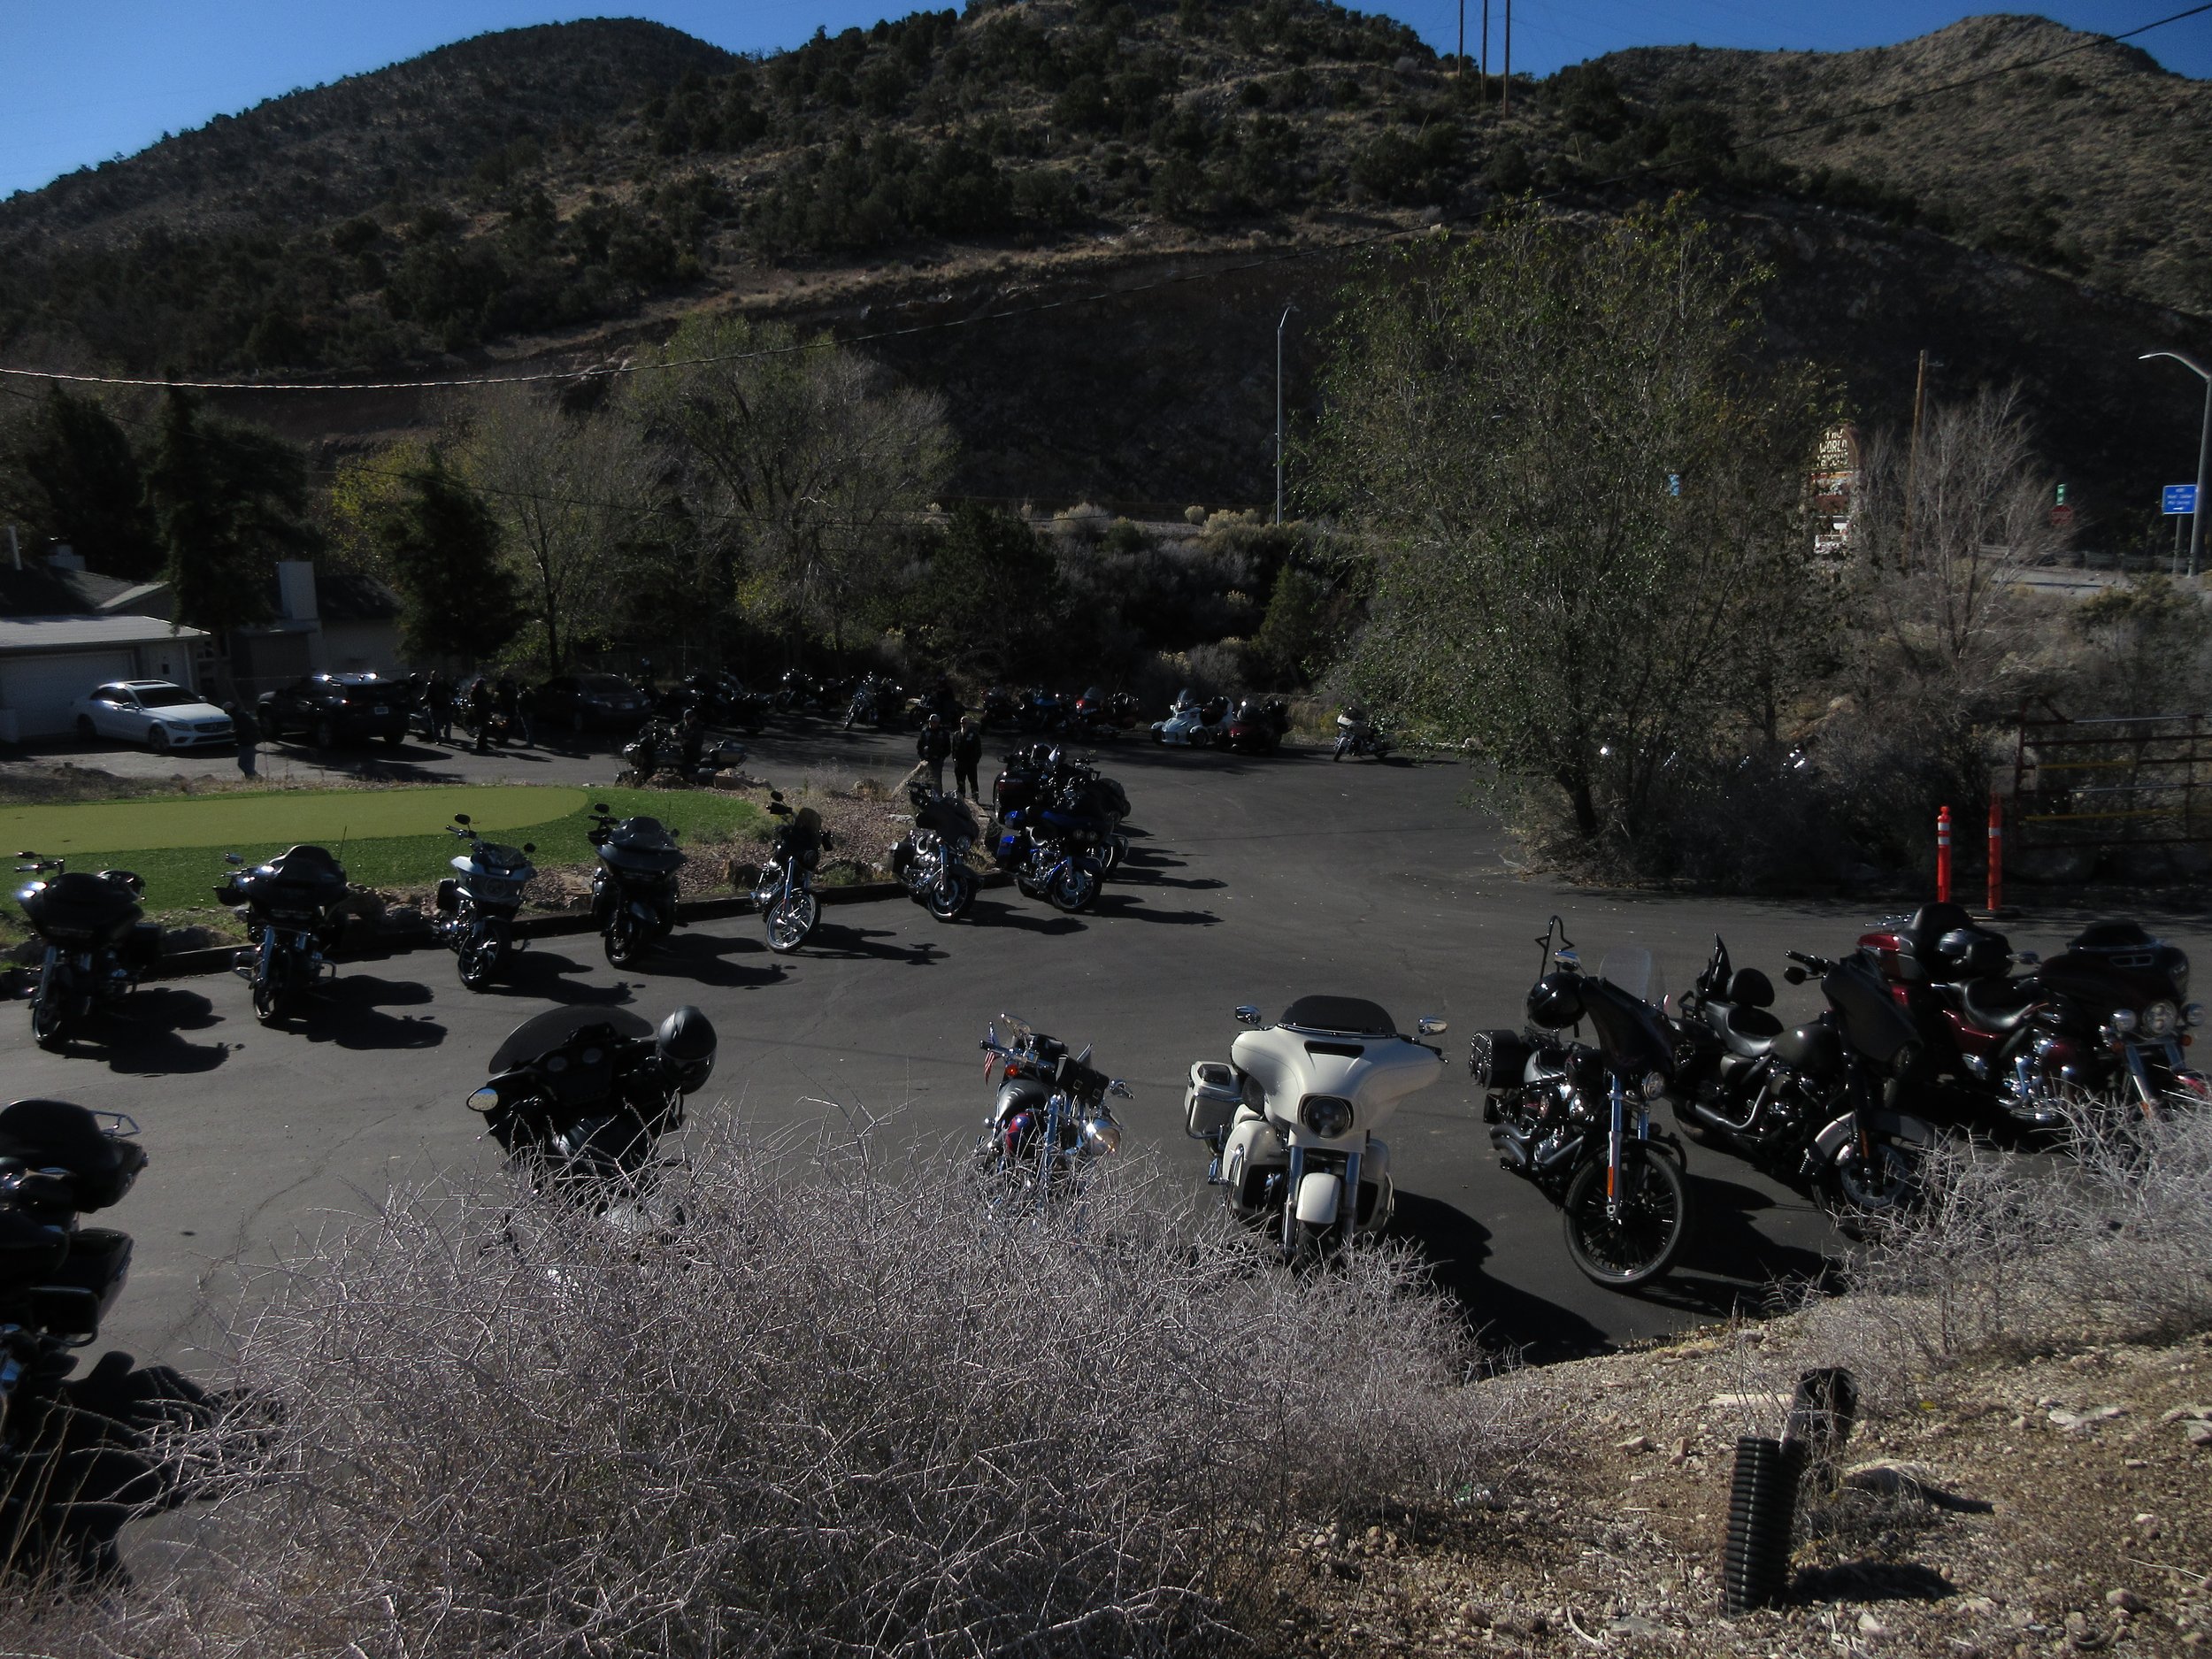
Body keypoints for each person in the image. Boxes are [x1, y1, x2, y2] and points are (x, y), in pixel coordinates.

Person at [917, 713, 951, 795]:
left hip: (937, 760)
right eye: (930, 721)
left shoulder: (943, 733)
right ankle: (923, 795)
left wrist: (942, 757)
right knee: (924, 778)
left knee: (936, 779)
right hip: (925, 759)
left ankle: (937, 797)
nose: (931, 723)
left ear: (937, 723)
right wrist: (921, 756)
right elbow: (920, 745)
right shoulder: (925, 731)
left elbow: (948, 748)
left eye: (933, 722)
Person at [952, 715, 983, 803]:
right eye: (962, 722)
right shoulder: (957, 735)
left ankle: (975, 797)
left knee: (973, 781)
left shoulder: (974, 735)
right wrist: (954, 759)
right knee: (960, 781)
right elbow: (954, 748)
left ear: (969, 724)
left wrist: (975, 760)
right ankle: (961, 797)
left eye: (965, 723)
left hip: (970, 762)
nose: (963, 724)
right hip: (959, 762)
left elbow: (978, 750)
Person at [227, 702, 258, 780]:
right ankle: (251, 778)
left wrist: (232, 732)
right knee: (247, 763)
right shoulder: (239, 715)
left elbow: (243, 729)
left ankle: (255, 778)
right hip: (245, 742)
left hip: (247, 742)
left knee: (244, 764)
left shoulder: (238, 716)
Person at [426, 671, 454, 744]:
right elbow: (428, 696)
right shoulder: (430, 685)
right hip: (435, 707)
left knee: (448, 723)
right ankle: (438, 739)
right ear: (432, 677)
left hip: (445, 705)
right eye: (435, 676)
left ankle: (447, 737)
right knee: (436, 724)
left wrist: (455, 691)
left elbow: (450, 689)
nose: (437, 677)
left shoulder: (443, 683)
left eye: (438, 675)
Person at [467, 677, 493, 755]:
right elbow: (479, 700)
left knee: (484, 728)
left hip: (483, 710)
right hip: (481, 711)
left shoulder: (479, 691)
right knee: (484, 728)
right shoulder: (477, 692)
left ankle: (483, 744)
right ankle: (481, 745)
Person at [515, 682, 538, 748]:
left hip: (527, 713)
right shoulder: (525, 694)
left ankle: (530, 744)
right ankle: (530, 742)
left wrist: (530, 712)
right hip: (524, 713)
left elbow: (530, 705)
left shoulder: (527, 694)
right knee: (527, 728)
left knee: (528, 728)